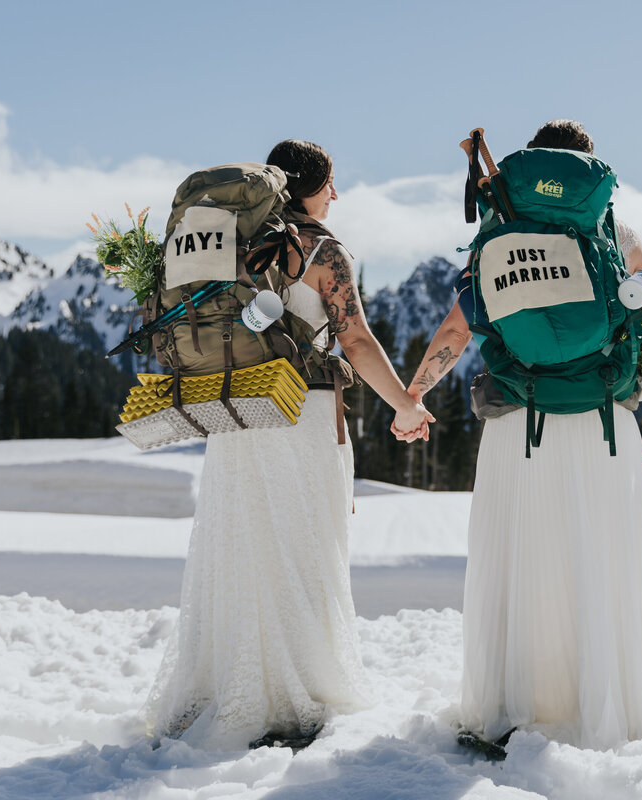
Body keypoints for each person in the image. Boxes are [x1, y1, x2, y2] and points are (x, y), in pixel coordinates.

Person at [144, 140, 433, 750]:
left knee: (239, 540)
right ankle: (299, 691)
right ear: (307, 187)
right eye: (331, 184)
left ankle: (225, 685)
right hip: (302, 408)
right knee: (304, 540)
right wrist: (405, 404)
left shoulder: (233, 244)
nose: (336, 196)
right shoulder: (322, 250)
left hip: (238, 405)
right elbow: (353, 339)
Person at [407, 120, 642, 751]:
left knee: (524, 554)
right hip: (603, 422)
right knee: (603, 555)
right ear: (589, 173)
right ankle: (610, 707)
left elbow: (456, 331)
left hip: (518, 425)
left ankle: (521, 703)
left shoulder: (496, 237)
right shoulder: (617, 235)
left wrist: (415, 392)